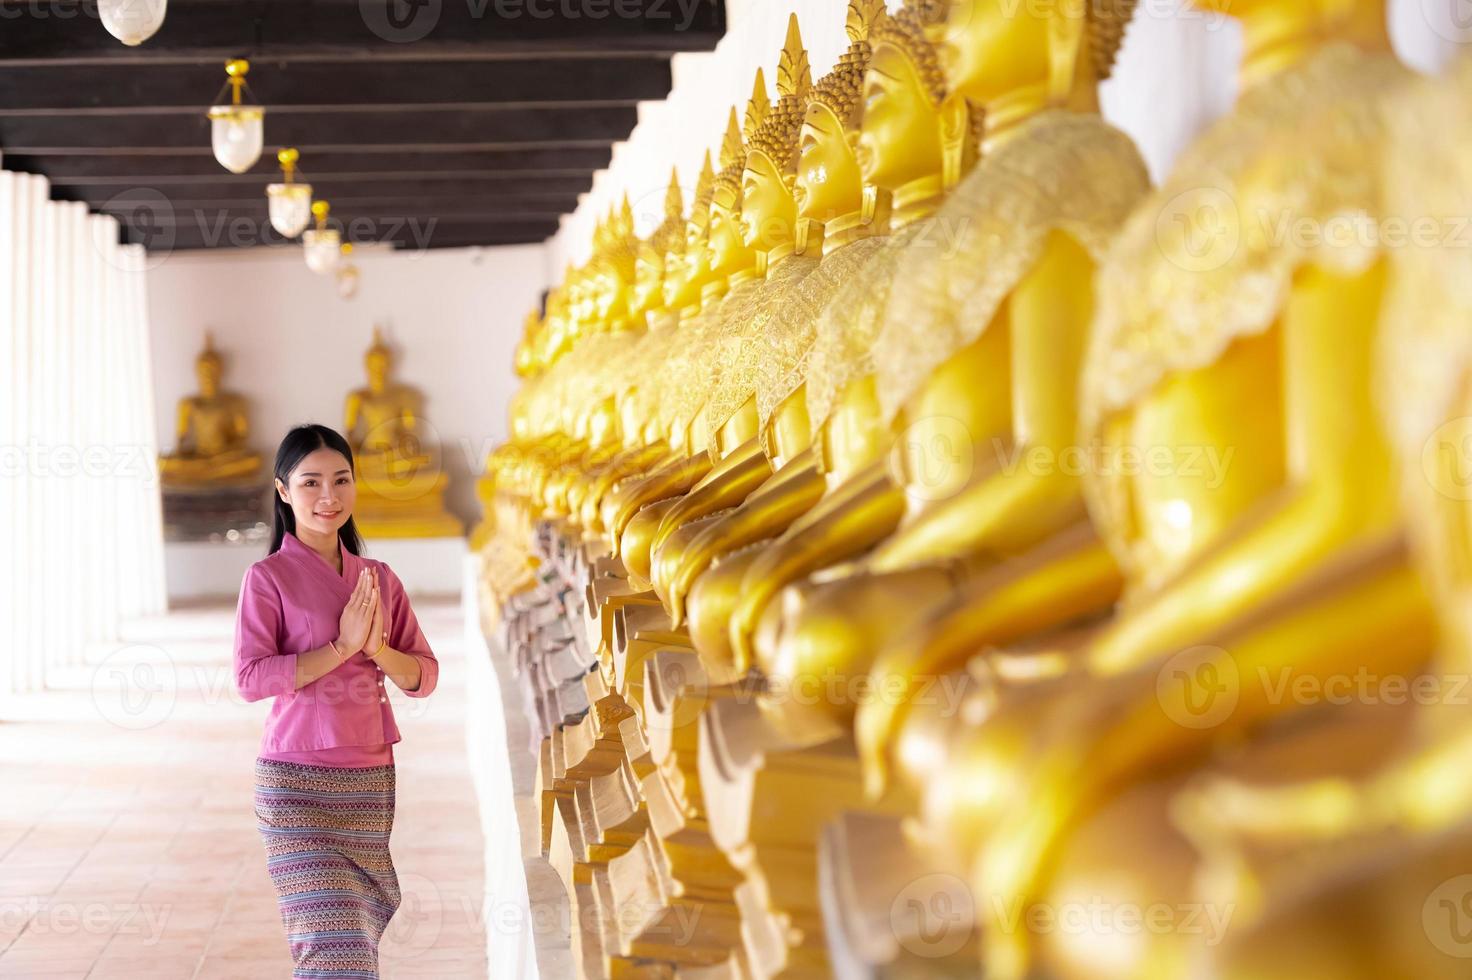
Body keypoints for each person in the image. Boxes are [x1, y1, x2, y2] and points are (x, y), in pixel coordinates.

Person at [233, 423, 439, 978]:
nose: (329, 497)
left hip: (367, 782)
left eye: (341, 480)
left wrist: (377, 649)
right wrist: (342, 646)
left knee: (356, 943)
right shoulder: (266, 579)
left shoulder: (379, 579)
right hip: (294, 783)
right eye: (311, 483)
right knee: (333, 945)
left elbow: (423, 675)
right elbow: (251, 677)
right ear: (283, 491)